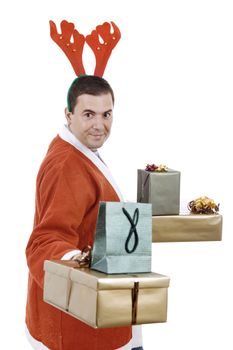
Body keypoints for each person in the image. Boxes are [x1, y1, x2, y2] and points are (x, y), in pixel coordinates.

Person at [25, 75, 143, 350]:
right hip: (80, 325)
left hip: (103, 306)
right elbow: (44, 241)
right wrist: (77, 259)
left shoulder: (76, 148)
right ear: (69, 115)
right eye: (88, 114)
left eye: (106, 114)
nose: (99, 125)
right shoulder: (67, 164)